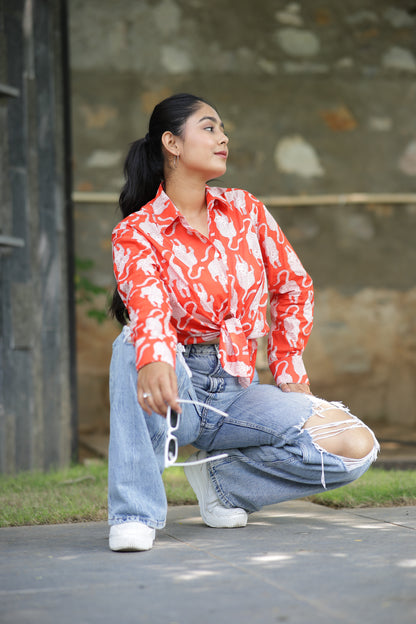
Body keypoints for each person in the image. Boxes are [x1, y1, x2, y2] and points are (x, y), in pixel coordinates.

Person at [108, 93, 379, 552]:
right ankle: (134, 512)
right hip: (177, 387)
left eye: (222, 129)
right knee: (135, 341)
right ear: (172, 143)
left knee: (353, 446)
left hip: (237, 389)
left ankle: (224, 485)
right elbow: (147, 304)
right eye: (209, 128)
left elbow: (294, 285)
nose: (223, 137)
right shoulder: (137, 231)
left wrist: (289, 370)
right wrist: (155, 357)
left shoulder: (246, 210)